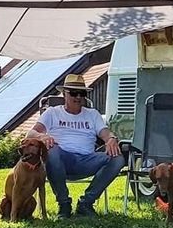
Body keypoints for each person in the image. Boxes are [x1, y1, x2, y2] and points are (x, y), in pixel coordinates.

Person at [27, 74, 124, 219]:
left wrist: (111, 138)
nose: (78, 97)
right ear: (64, 94)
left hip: (87, 160)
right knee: (52, 151)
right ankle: (64, 204)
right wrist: (42, 136)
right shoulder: (52, 113)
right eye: (73, 93)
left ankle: (86, 203)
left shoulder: (92, 114)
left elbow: (105, 132)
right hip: (60, 160)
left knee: (118, 159)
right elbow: (30, 134)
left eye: (82, 93)